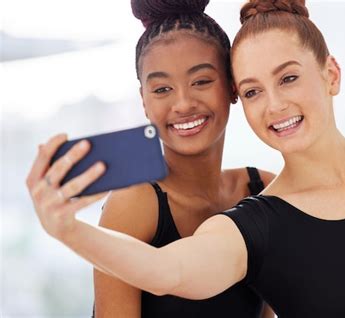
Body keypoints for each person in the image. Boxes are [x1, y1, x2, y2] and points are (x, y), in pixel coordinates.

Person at [27, 0, 345, 317]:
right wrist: (67, 229)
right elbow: (168, 271)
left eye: (290, 78)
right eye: (255, 90)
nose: (275, 105)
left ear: (331, 74)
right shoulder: (253, 223)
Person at [28, 1, 276, 317]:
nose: (183, 103)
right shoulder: (135, 204)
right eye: (161, 89)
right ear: (144, 101)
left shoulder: (263, 189)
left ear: (232, 86)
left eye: (201, 81)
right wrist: (63, 226)